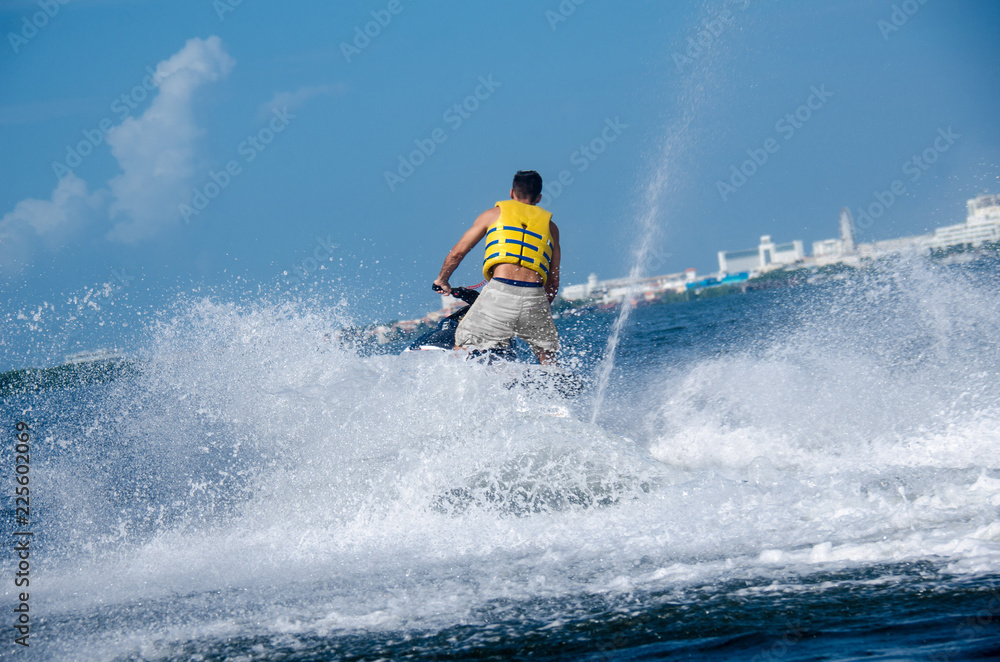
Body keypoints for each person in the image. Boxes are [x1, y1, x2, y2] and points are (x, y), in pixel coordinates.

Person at [433, 170, 561, 365]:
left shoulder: (492, 215)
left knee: (464, 341)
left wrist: (442, 280)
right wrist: (539, 308)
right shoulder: (551, 227)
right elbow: (553, 281)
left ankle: (455, 392)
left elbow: (457, 254)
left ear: (511, 193)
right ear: (539, 198)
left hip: (500, 291)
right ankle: (558, 391)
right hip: (535, 297)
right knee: (548, 358)